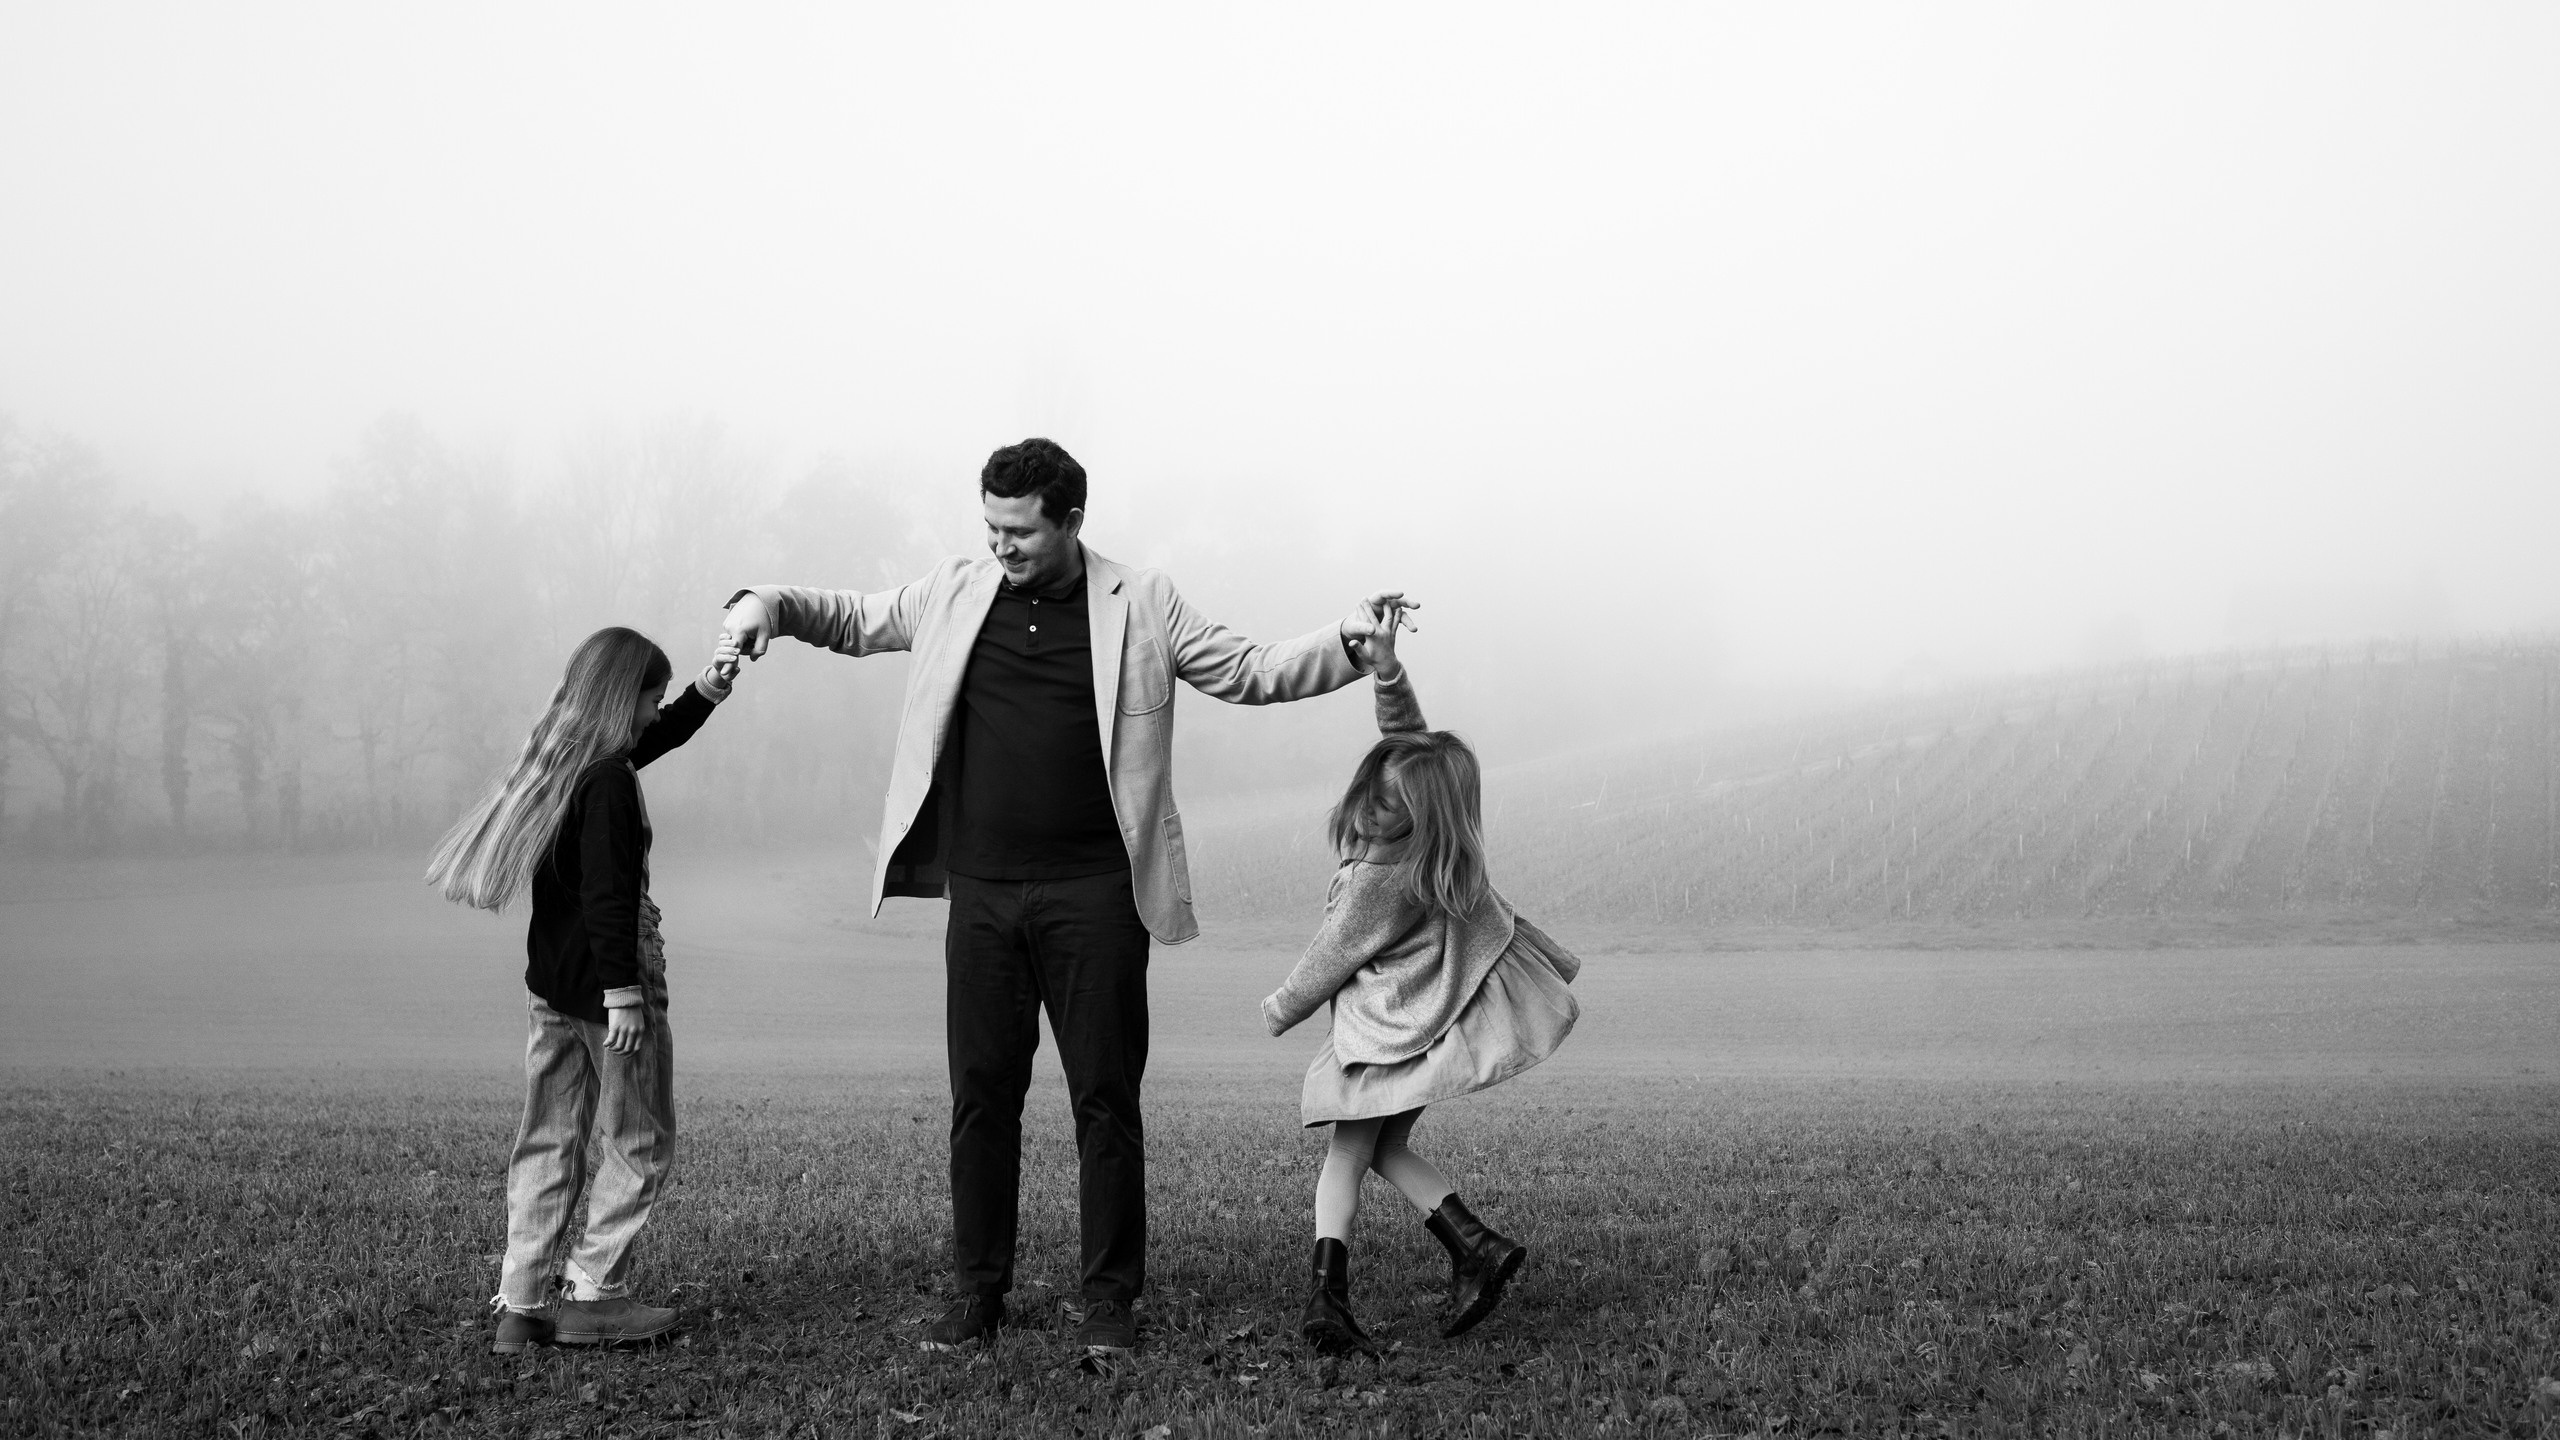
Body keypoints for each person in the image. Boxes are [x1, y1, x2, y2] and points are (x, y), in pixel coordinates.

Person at [718, 437, 1407, 1357]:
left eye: (1021, 532)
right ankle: (976, 1297)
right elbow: (848, 614)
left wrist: (1349, 645)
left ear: (1072, 522)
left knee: (1107, 1104)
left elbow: (1249, 670)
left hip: (1097, 896)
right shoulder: (953, 590)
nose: (1002, 546)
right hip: (985, 897)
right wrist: (764, 602)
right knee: (980, 1100)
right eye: (992, 527)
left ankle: (1111, 1305)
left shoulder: (1142, 601)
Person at [1260, 604, 1581, 1355]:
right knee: (1380, 1148)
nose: (1371, 798)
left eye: (1385, 798)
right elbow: (1410, 746)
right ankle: (1475, 1248)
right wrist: (1387, 671)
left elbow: (1329, 954)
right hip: (1417, 1022)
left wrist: (1280, 1007)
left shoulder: (1379, 879)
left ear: (1410, 814)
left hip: (1383, 1032)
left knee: (1348, 1151)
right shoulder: (1435, 843)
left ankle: (1328, 1300)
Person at [426, 625, 742, 1354]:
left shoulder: (568, 767)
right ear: (621, 697)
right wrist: (625, 995)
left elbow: (648, 743)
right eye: (652, 699)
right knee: (639, 1138)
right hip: (609, 991)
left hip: (553, 992)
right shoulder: (607, 785)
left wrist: (707, 691)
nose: (653, 715)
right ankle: (597, 1294)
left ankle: (524, 1303)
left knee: (549, 1138)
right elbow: (609, 894)